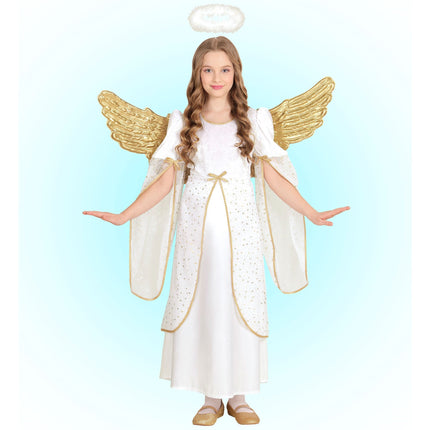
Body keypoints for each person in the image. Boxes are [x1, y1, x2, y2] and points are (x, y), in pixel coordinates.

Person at [83, 36, 350, 426]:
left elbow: (273, 177)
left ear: (236, 73)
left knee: (239, 302)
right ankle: (210, 398)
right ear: (197, 74)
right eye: (208, 69)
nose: (216, 77)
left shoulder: (253, 121)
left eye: (224, 69)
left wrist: (310, 212)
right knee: (206, 305)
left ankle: (239, 397)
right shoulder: (182, 123)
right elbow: (165, 182)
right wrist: (125, 215)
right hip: (199, 236)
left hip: (240, 232)